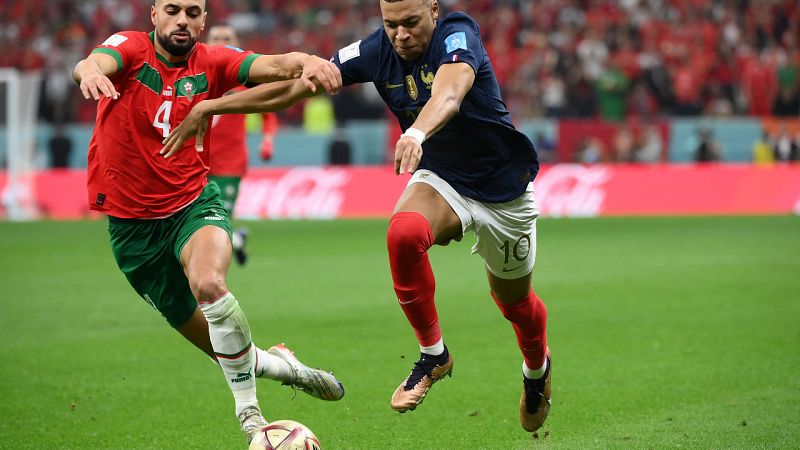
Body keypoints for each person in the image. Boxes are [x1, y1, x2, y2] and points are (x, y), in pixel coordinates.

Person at [162, 0, 551, 434]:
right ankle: (433, 355)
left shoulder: (458, 34)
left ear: (433, 10)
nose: (400, 35)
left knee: (515, 304)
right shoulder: (374, 51)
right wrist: (212, 107)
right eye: (391, 24)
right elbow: (294, 89)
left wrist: (416, 132)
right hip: (443, 178)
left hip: (503, 189)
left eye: (410, 23)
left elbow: (450, 93)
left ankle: (537, 370)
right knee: (403, 234)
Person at [71, 0, 345, 444]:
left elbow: (276, 65)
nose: (183, 19)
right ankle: (285, 367)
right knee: (225, 351)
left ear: (204, 21)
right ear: (154, 15)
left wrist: (308, 61)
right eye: (173, 10)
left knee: (209, 285)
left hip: (192, 204)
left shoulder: (213, 61)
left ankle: (251, 420)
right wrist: (89, 72)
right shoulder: (131, 49)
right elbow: (94, 61)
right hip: (133, 231)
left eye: (193, 12)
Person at [205, 24, 280, 266]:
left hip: (229, 165)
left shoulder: (244, 78)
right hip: (195, 164)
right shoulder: (193, 76)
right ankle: (237, 240)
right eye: (215, 37)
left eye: (226, 38)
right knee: (198, 224)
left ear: (236, 44)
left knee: (217, 222)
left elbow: (268, 111)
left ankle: (210, 274)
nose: (220, 41)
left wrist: (267, 140)